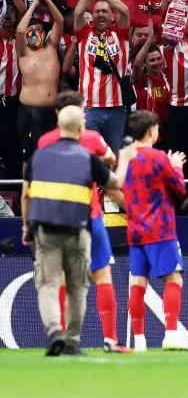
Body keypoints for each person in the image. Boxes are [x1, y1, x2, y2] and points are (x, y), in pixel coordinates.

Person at [22, 105, 121, 357]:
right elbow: (113, 175)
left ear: (57, 120)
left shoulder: (40, 150)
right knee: (85, 283)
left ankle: (55, 331)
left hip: (44, 225)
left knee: (48, 283)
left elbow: (26, 194)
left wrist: (26, 226)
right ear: (81, 126)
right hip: (85, 222)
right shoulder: (89, 150)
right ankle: (86, 340)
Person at [119, 110, 188, 352]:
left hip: (135, 229)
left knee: (138, 281)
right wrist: (176, 166)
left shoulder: (125, 159)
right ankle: (170, 334)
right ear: (151, 132)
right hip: (160, 228)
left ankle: (139, 340)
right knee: (174, 278)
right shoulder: (158, 158)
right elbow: (179, 189)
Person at [73, 0, 132, 153]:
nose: (100, 14)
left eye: (105, 11)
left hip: (116, 108)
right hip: (90, 107)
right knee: (90, 154)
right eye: (97, 11)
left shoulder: (120, 34)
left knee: (114, 154)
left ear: (112, 16)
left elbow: (125, 9)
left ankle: (111, 183)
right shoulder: (85, 34)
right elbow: (77, 12)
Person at [15, 0, 62, 161]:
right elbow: (20, 30)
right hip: (29, 110)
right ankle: (28, 189)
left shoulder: (51, 46)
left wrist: (46, 0)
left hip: (52, 110)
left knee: (52, 155)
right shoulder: (23, 52)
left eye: (38, 30)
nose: (34, 34)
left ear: (44, 33)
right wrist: (34, 3)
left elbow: (60, 21)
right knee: (31, 157)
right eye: (31, 31)